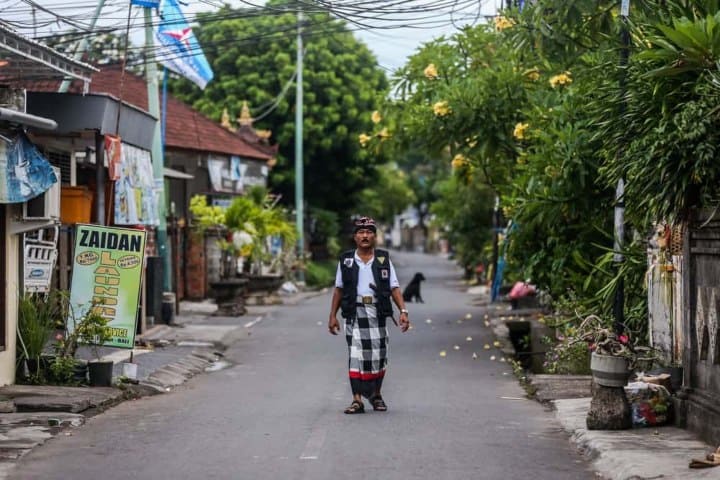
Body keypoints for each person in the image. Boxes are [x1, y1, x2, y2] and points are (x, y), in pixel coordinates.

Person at [328, 216, 410, 414]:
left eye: (369, 232)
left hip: (377, 313)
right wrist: (333, 316)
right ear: (355, 237)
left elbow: (394, 287)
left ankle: (376, 395)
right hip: (354, 313)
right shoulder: (346, 261)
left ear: (374, 236)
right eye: (361, 232)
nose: (365, 236)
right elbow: (338, 289)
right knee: (356, 356)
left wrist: (403, 311)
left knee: (378, 356)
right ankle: (357, 400)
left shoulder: (383, 260)